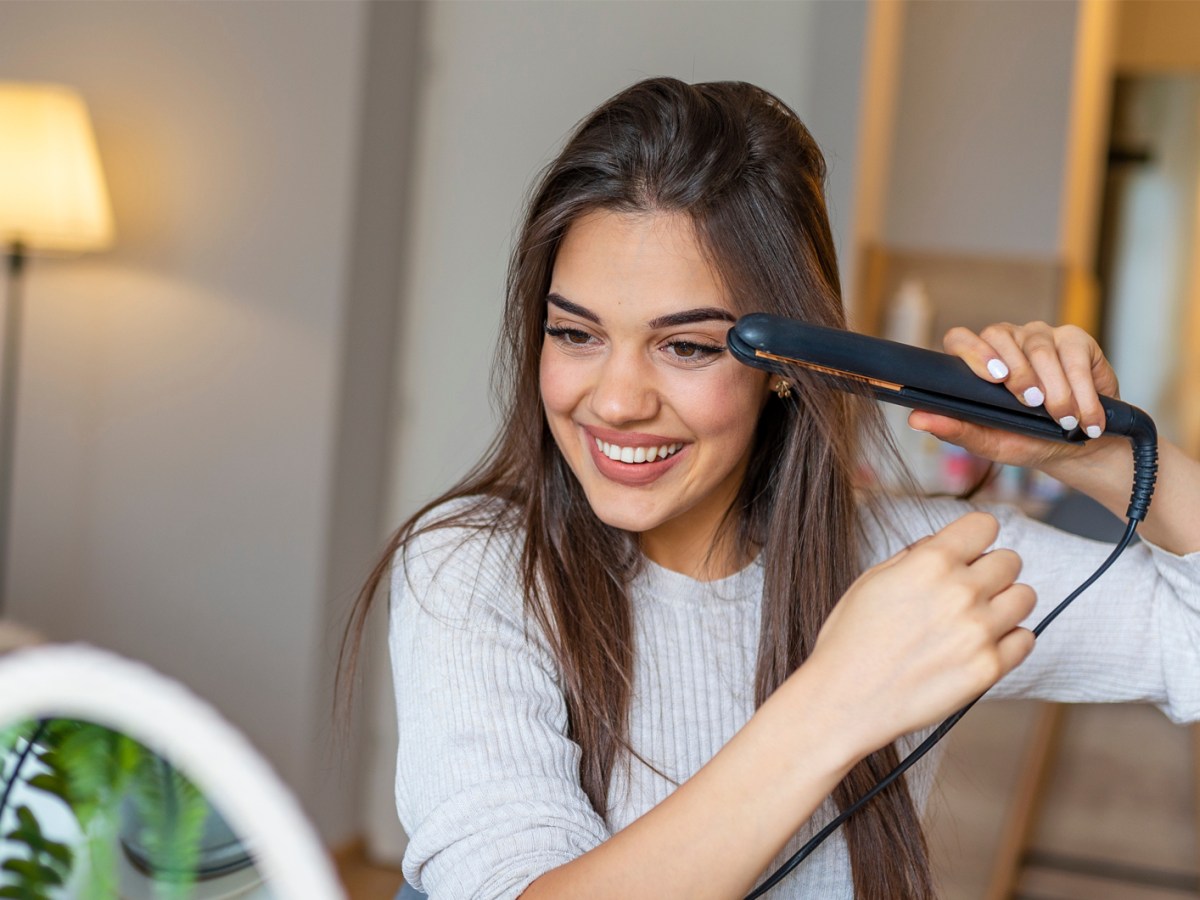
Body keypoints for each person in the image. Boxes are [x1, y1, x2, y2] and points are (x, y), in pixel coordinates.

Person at [343, 78, 1200, 900]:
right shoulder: (477, 570)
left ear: (787, 369)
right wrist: (840, 696)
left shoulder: (911, 568)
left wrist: (1092, 454)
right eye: (575, 334)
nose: (615, 401)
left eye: (687, 348)